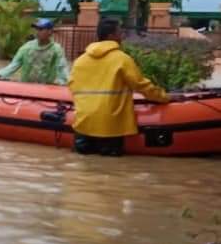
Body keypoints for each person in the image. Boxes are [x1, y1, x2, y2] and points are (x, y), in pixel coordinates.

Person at [68, 18, 170, 156]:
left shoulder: (80, 61)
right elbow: (141, 85)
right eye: (120, 32)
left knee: (83, 169)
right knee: (111, 171)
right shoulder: (122, 59)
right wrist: (164, 97)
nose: (122, 35)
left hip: (84, 123)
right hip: (111, 126)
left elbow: (72, 87)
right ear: (111, 36)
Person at [0, 18, 68, 84]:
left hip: (46, 87)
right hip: (26, 86)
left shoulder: (56, 49)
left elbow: (62, 68)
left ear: (50, 32)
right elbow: (14, 64)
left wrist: (66, 82)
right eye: (36, 29)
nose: (37, 32)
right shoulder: (27, 47)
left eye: (41, 29)